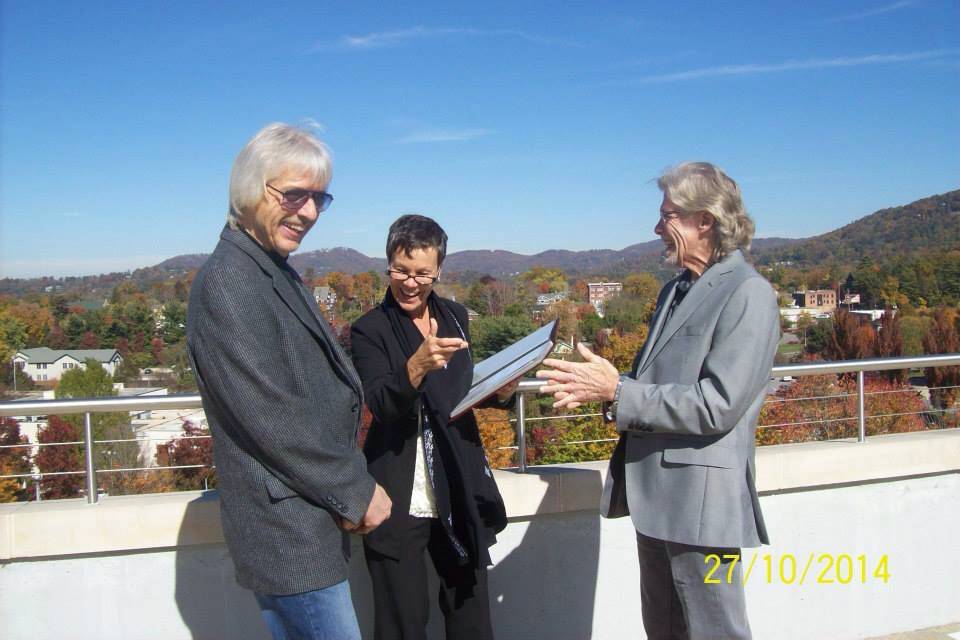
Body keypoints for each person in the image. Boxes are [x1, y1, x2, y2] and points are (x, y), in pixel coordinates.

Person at [537, 162, 779, 640]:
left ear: (704, 221)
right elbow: (661, 382)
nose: (657, 226)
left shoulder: (748, 293)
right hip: (656, 500)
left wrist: (619, 391)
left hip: (701, 509)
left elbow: (717, 405)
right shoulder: (674, 290)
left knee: (715, 631)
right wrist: (605, 389)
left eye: (668, 214)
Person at [186, 123, 392, 640]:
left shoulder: (268, 268)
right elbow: (271, 415)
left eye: (319, 198)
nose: (309, 213)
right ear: (250, 190)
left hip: (306, 518)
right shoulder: (231, 280)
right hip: (288, 530)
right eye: (294, 195)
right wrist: (356, 490)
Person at [350, 214, 512, 640]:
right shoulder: (370, 330)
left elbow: (463, 390)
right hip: (400, 490)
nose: (410, 283)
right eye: (400, 270)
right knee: (402, 620)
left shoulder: (455, 316)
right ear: (387, 264)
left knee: (471, 612)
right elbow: (381, 403)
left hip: (457, 481)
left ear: (439, 270)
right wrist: (416, 367)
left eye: (423, 273)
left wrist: (505, 389)